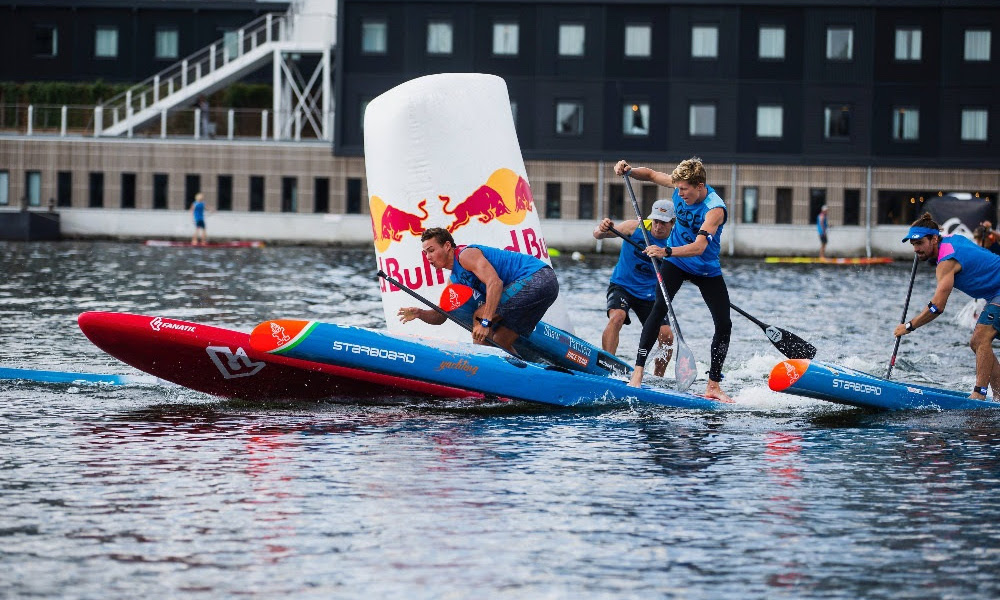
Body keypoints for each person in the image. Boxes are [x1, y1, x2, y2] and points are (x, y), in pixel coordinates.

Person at [613, 157, 732, 402]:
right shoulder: (680, 186)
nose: (679, 193)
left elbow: (699, 247)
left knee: (724, 324)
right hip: (676, 263)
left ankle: (713, 385)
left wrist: (665, 251)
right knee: (658, 310)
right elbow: (652, 174)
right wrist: (630, 170)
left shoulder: (714, 209)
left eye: (684, 190)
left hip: (705, 268)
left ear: (699, 186)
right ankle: (637, 374)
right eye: (677, 188)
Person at [398, 227, 559, 354]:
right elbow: (442, 315)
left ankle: (479, 365)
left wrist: (485, 322)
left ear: (447, 246)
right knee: (500, 341)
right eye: (425, 253)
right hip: (548, 289)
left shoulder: (466, 255)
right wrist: (419, 313)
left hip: (538, 277)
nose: (428, 257)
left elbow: (495, 283)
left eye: (431, 250)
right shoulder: (454, 281)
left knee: (480, 316)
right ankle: (521, 378)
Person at [893, 213, 1000, 400]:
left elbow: (937, 307)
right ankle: (999, 395)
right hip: (994, 294)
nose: (916, 249)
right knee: (980, 342)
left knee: (980, 339)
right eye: (913, 244)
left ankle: (978, 396)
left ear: (934, 239)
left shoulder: (946, 261)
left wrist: (909, 326)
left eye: (919, 243)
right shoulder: (950, 239)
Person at [593, 199, 676, 377]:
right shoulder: (634, 227)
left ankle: (657, 379)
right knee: (617, 317)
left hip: (651, 295)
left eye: (664, 223)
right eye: (656, 221)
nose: (658, 227)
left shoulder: (675, 242)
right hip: (623, 285)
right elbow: (597, 235)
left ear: (672, 223)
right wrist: (602, 228)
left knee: (667, 336)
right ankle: (607, 368)